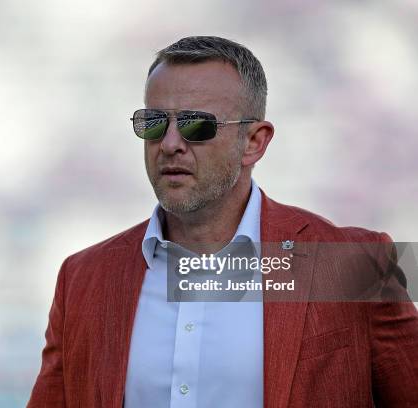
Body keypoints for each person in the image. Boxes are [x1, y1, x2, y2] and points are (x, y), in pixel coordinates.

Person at [27, 36, 418, 407]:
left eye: (198, 124)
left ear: (255, 142)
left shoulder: (357, 266)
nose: (170, 144)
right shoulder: (82, 279)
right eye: (154, 123)